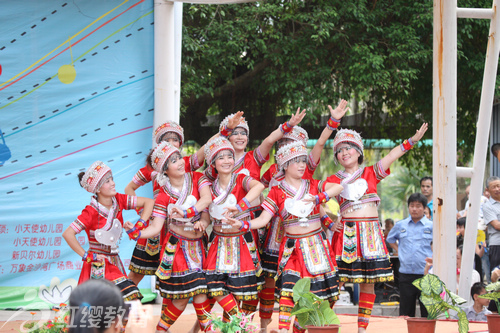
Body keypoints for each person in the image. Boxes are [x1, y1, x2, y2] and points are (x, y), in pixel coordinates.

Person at [226, 141, 344, 333]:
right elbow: (264, 219)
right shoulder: (276, 191)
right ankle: (282, 330)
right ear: (285, 165)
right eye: (295, 161)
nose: (301, 165)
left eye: (303, 161)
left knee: (320, 295)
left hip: (316, 246)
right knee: (289, 291)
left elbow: (337, 187)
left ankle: (297, 330)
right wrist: (243, 224)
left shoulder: (313, 185)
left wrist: (317, 198)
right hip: (292, 250)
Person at [327, 123, 428, 331]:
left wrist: (412, 141)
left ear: (359, 151)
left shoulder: (372, 173)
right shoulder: (333, 179)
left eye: (348, 147)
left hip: (371, 234)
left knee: (368, 283)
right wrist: (329, 220)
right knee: (336, 281)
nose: (344, 153)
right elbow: (315, 197)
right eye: (340, 150)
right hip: (347, 233)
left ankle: (362, 328)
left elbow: (391, 155)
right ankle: (324, 323)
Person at [257, 99, 349, 330]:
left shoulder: (309, 176)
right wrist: (239, 214)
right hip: (279, 236)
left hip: (311, 237)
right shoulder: (273, 175)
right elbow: (257, 192)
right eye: (287, 143)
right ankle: (265, 326)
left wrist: (333, 122)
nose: (296, 154)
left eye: (298, 148)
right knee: (276, 284)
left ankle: (299, 326)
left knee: (315, 290)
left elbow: (319, 145)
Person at [125, 118, 241, 286]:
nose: (171, 143)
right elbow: (129, 189)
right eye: (167, 139)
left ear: (180, 143)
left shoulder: (184, 163)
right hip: (157, 225)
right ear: (159, 144)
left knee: (170, 276)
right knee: (137, 274)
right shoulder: (152, 168)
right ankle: (118, 303)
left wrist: (224, 132)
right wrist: (144, 213)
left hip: (179, 228)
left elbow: (206, 148)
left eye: (175, 139)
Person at [124, 142, 214, 332]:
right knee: (193, 294)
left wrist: (197, 218)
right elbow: (156, 226)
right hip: (178, 251)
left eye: (179, 157)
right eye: (173, 161)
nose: (180, 162)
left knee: (188, 297)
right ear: (165, 170)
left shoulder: (197, 178)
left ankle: (161, 329)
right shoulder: (164, 196)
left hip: (198, 248)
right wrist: (137, 232)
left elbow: (206, 199)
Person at [62, 161, 154, 301]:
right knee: (122, 304)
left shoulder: (119, 200)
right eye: (107, 181)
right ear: (98, 189)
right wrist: (88, 256)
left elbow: (149, 203)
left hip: (114, 262)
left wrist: (139, 225)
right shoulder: (90, 211)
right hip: (98, 265)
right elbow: (68, 234)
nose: (113, 183)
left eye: (112, 179)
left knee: (120, 307)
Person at [201, 136, 266, 320]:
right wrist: (202, 223)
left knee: (245, 291)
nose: (227, 161)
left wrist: (240, 206)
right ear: (213, 163)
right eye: (221, 157)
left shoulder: (241, 179)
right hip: (218, 242)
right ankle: (239, 322)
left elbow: (259, 186)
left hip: (241, 241)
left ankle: (236, 327)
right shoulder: (209, 187)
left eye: (230, 156)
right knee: (216, 286)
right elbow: (206, 212)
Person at [387, 193, 432, 318]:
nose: (414, 209)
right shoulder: (401, 225)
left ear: (424, 208)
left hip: (426, 275)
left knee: (427, 313)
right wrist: (399, 250)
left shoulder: (432, 226)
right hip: (406, 274)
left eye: (418, 206)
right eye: (412, 206)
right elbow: (390, 239)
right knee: (406, 314)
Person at [483, 176, 500, 275]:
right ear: (487, 190)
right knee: (497, 277)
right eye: (494, 187)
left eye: (499, 186)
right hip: (497, 245)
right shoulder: (487, 206)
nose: (497, 189)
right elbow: (497, 225)